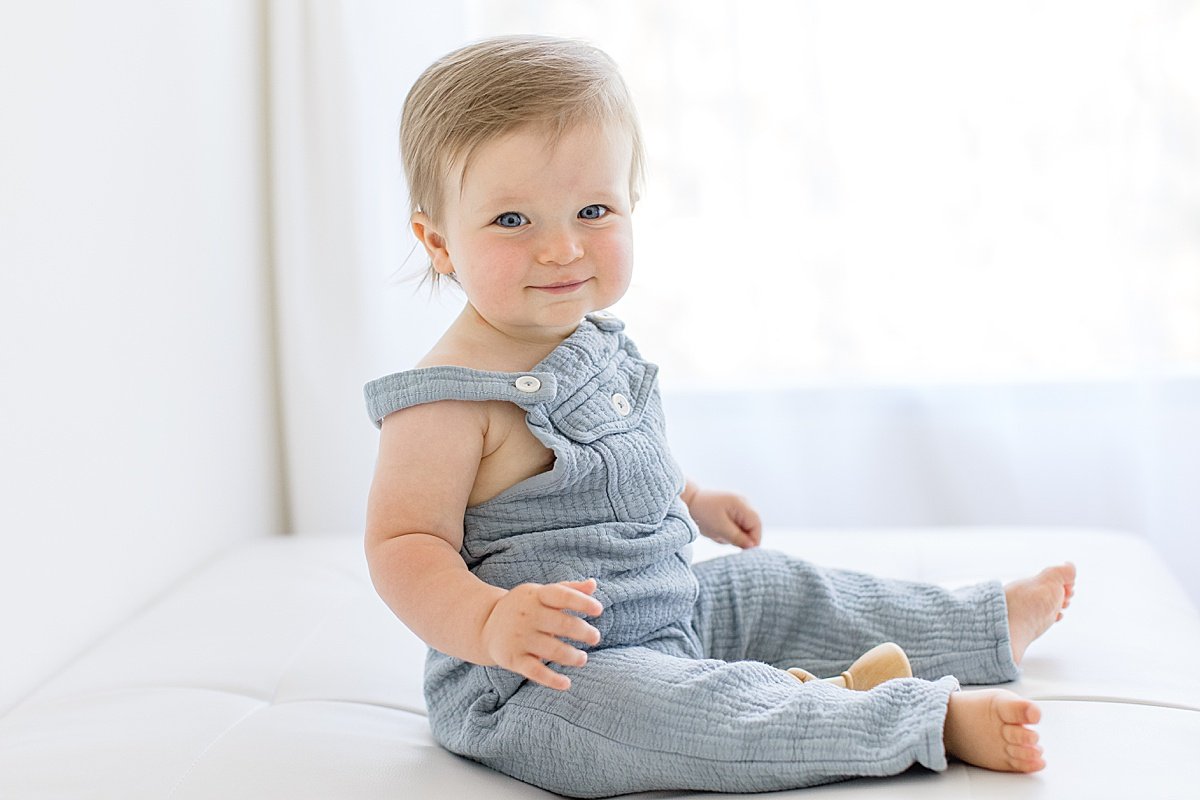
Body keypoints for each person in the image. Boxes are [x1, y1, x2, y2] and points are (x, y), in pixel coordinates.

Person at [364, 34, 1076, 798]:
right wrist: (489, 624)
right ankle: (922, 721)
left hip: (673, 605)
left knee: (780, 587)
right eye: (512, 221)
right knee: (687, 711)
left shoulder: (595, 342)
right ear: (438, 241)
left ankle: (980, 624)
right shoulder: (447, 396)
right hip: (548, 676)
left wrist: (692, 499)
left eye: (592, 209)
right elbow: (402, 545)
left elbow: (618, 462)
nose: (562, 247)